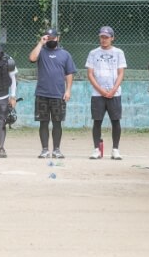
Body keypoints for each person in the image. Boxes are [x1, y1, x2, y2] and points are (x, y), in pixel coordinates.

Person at [29, 27, 76, 159]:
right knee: (43, 122)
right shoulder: (41, 52)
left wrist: (68, 90)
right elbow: (32, 58)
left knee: (57, 123)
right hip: (42, 93)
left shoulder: (65, 54)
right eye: (48, 38)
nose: (51, 40)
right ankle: (44, 150)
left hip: (58, 95)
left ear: (58, 38)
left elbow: (69, 73)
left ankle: (56, 150)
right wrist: (40, 43)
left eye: (53, 38)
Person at [86, 26, 127, 160]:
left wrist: (114, 89)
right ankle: (96, 149)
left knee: (116, 121)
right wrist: (101, 90)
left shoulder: (119, 52)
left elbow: (121, 73)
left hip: (114, 93)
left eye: (106, 37)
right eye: (102, 37)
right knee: (97, 121)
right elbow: (90, 74)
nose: (103, 40)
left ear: (112, 38)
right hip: (98, 94)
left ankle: (115, 150)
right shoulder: (93, 53)